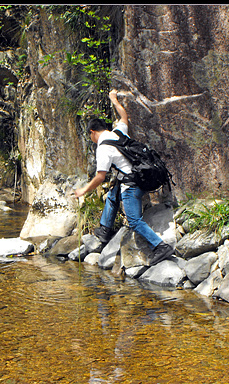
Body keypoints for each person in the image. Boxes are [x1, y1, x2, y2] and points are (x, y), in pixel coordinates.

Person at [73, 89, 174, 266]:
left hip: (132, 185)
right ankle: (105, 229)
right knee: (113, 195)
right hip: (140, 177)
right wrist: (114, 99)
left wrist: (84, 190)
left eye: (90, 135)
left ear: (92, 132)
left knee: (134, 221)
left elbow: (100, 177)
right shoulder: (118, 133)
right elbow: (124, 117)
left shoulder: (103, 148)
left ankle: (160, 246)